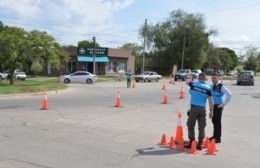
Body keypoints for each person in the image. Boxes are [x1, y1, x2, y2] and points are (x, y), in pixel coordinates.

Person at [185, 73, 214, 150]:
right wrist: (211, 111)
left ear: (198, 78)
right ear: (205, 79)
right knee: (201, 127)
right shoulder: (208, 88)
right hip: (202, 109)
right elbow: (211, 101)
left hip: (193, 108)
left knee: (190, 125)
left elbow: (187, 82)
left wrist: (191, 78)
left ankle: (192, 142)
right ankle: (200, 144)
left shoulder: (193, 84)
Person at [210, 73, 232, 143]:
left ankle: (218, 138)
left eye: (214, 78)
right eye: (212, 78)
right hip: (214, 106)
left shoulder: (221, 86)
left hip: (219, 106)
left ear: (218, 78)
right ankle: (214, 136)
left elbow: (229, 94)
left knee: (217, 121)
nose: (213, 79)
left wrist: (224, 104)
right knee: (214, 120)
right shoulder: (212, 86)